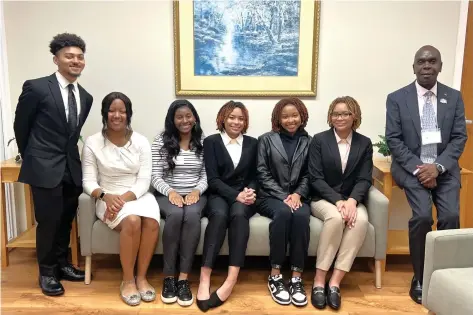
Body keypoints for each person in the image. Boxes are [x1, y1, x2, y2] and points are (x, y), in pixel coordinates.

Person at [385, 45, 467, 304]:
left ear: (440, 66)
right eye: (422, 62)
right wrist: (421, 168)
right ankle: (420, 276)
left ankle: (445, 273)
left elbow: (458, 138)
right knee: (421, 216)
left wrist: (438, 167)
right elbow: (394, 140)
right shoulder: (397, 98)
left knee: (451, 216)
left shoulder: (453, 97)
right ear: (414, 67)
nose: (427, 66)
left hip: (444, 169)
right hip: (412, 169)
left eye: (433, 62)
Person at [13, 33, 93, 296]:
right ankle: (46, 272)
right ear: (56, 59)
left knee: (66, 219)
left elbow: (72, 134)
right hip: (43, 166)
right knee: (47, 221)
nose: (76, 61)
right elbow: (21, 127)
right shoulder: (36, 88)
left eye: (80, 57)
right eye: (69, 56)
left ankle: (62, 265)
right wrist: (33, 157)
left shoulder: (85, 96)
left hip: (71, 166)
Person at [81, 92, 160, 306]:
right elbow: (88, 181)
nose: (117, 115)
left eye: (122, 111)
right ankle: (127, 280)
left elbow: (144, 182)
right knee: (132, 220)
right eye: (112, 110)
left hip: (138, 194)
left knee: (151, 221)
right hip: (106, 196)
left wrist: (121, 200)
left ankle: (141, 277)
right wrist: (106, 197)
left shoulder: (141, 142)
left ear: (129, 114)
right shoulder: (92, 142)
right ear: (105, 114)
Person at [308, 96, 373, 310]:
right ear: (330, 116)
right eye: (336, 113)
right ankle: (319, 280)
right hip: (323, 198)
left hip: (352, 199)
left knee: (361, 221)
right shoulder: (319, 140)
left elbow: (364, 178)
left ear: (354, 116)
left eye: (345, 113)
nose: (340, 117)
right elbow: (315, 178)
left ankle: (335, 283)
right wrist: (338, 201)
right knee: (336, 219)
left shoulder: (364, 143)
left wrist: (352, 201)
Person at [196, 101, 258, 312]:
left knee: (240, 216)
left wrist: (249, 192)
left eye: (241, 118)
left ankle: (230, 280)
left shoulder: (253, 143)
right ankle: (205, 277)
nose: (236, 122)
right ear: (223, 118)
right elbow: (212, 179)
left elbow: (254, 176)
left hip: (245, 197)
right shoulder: (212, 142)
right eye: (232, 117)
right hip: (219, 194)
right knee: (220, 215)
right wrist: (236, 195)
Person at [151, 100, 207, 307]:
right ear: (172, 120)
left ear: (194, 118)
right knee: (175, 215)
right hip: (167, 194)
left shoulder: (203, 141)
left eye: (188, 116)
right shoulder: (160, 141)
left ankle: (183, 279)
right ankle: (168, 278)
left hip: (195, 194)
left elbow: (206, 175)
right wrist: (171, 192)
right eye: (179, 117)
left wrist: (196, 191)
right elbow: (155, 175)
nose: (185, 120)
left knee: (191, 215)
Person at [256, 97, 312, 306]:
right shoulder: (266, 139)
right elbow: (262, 172)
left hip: (298, 197)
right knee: (283, 213)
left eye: (294, 115)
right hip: (269, 197)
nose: (290, 120)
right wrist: (283, 196)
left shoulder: (309, 141)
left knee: (301, 215)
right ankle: (276, 275)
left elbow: (309, 174)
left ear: (302, 116)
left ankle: (296, 278)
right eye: (285, 116)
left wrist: (297, 194)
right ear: (278, 119)